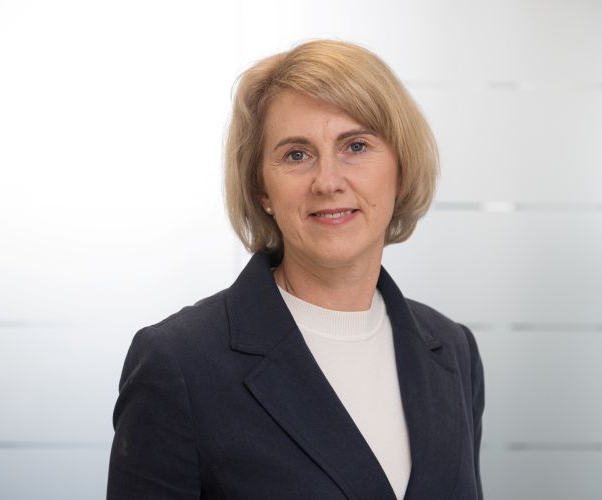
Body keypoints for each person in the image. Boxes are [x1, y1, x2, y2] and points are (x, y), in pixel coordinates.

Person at [107, 39, 484, 500]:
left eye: (356, 146)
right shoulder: (179, 363)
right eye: (296, 155)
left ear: (400, 169)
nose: (328, 182)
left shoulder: (453, 350)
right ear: (262, 190)